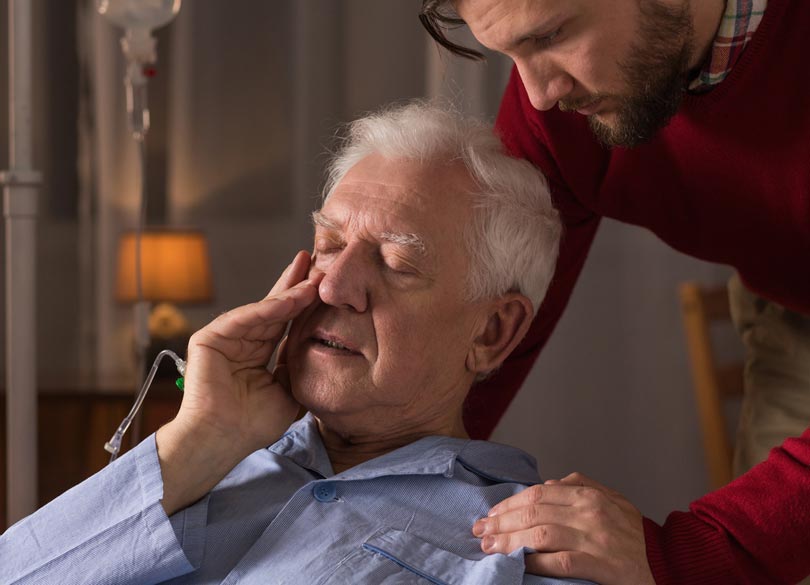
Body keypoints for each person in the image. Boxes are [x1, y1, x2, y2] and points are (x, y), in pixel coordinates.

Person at [1, 102, 603, 585]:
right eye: (330, 245)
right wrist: (197, 443)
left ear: (492, 331)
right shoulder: (196, 469)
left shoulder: (525, 548)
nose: (335, 286)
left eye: (396, 262)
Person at [419, 1, 810, 584]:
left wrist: (679, 556)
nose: (541, 94)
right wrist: (368, 463)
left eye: (551, 35)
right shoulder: (553, 109)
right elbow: (482, 328)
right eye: (513, 55)